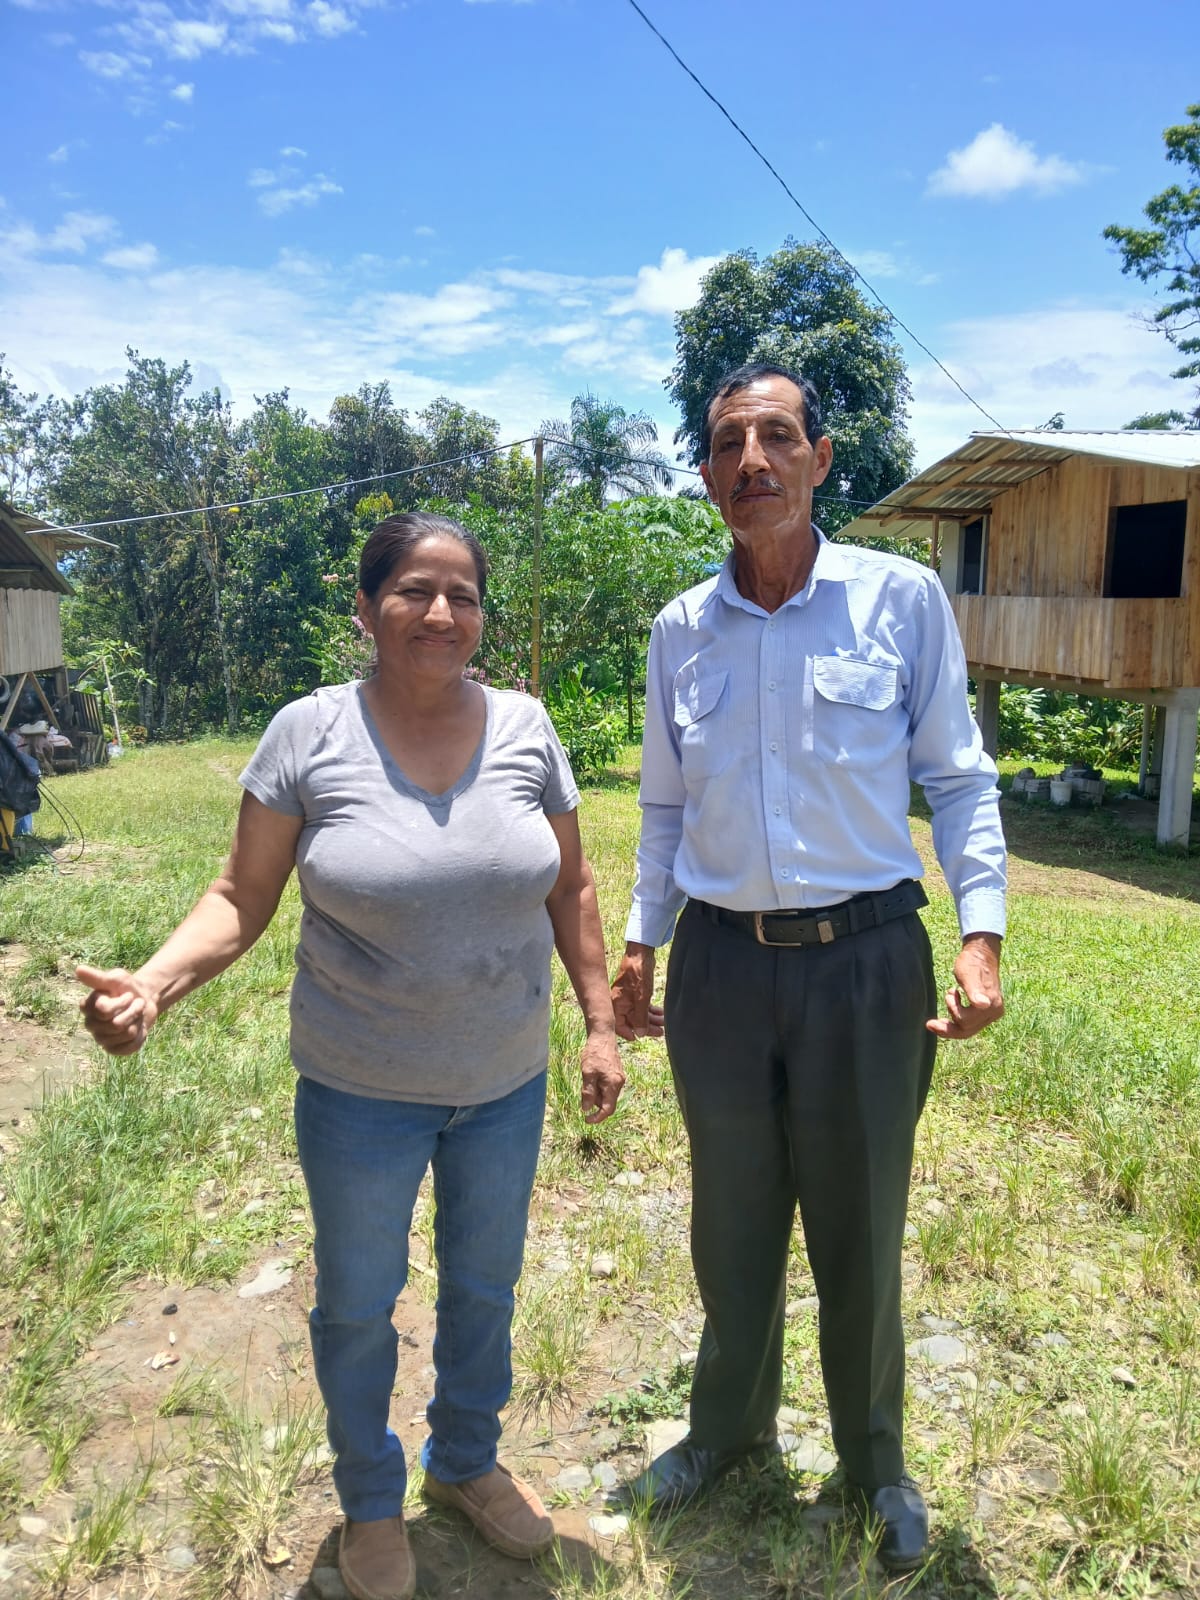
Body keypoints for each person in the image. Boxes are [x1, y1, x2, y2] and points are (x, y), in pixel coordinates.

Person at [77, 511, 625, 1600]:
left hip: (504, 1084)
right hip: (360, 1091)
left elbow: (572, 886)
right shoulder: (308, 734)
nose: (441, 612)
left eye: (463, 594)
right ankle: (372, 1499)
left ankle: (464, 1461)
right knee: (359, 1303)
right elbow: (239, 896)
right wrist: (154, 983)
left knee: (486, 1286)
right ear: (368, 607)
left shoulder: (527, 727)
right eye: (415, 590)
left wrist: (601, 1022)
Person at [610, 364, 1006, 1572]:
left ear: (821, 459)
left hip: (865, 963)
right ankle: (726, 1435)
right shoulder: (681, 629)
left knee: (859, 1224)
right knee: (730, 1219)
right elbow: (664, 808)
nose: (753, 462)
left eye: (777, 437)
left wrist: (981, 932)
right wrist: (641, 939)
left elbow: (958, 778)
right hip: (722, 970)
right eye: (729, 443)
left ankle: (874, 1462)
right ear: (706, 475)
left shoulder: (900, 600)